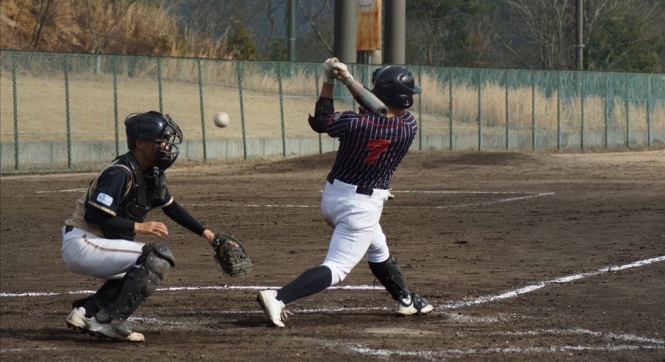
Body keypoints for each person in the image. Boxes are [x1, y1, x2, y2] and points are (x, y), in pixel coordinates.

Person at [257, 61, 434, 327]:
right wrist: (347, 79)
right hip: (362, 207)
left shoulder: (354, 123)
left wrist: (330, 80)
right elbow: (376, 105)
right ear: (405, 98)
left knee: (377, 246)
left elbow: (321, 122)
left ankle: (405, 299)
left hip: (334, 197)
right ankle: (279, 297)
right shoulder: (409, 125)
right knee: (337, 267)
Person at [61, 111, 221, 342]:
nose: (166, 146)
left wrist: (208, 234)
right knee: (154, 258)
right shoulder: (119, 173)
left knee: (137, 266)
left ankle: (86, 311)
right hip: (83, 242)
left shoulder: (150, 174)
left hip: (96, 243)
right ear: (140, 143)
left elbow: (171, 208)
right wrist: (138, 227)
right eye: (161, 140)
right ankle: (110, 321)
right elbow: (94, 214)